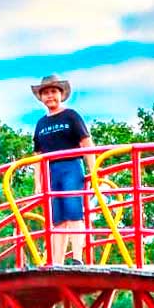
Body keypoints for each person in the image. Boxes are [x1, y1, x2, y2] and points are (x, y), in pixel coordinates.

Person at [31, 74, 95, 265]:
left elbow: (87, 144)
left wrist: (94, 172)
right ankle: (57, 262)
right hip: (51, 171)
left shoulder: (71, 116)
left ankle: (77, 258)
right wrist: (38, 182)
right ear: (41, 97)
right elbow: (37, 156)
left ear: (61, 94)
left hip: (71, 167)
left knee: (73, 211)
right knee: (57, 218)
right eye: (46, 93)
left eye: (54, 91)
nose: (50, 96)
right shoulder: (41, 123)